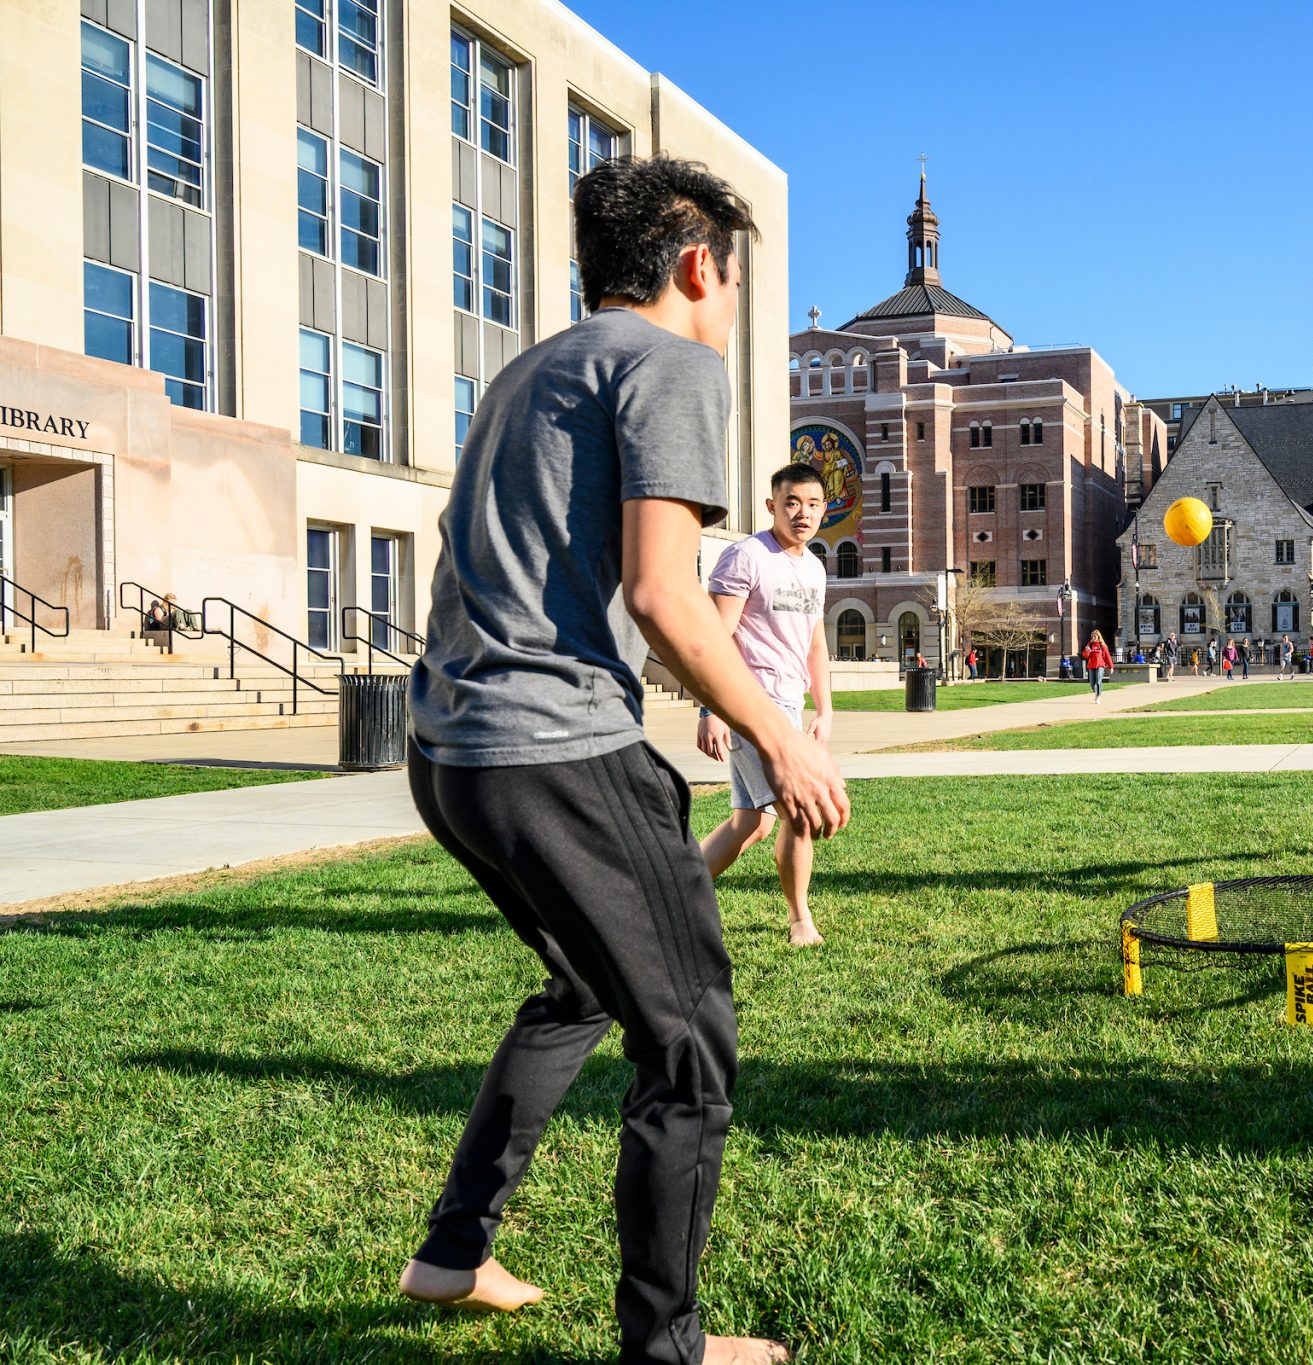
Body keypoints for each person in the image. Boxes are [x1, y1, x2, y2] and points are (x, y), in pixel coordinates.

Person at [401, 156, 847, 1364]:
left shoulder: (528, 370)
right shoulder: (671, 364)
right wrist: (780, 736)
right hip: (552, 751)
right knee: (689, 1034)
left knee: (583, 986)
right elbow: (662, 592)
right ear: (700, 265)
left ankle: (452, 1250)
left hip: (449, 752)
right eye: (735, 279)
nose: (733, 304)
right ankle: (669, 1346)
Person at [696, 463, 835, 949]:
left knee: (750, 823)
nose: (803, 513)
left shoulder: (814, 567)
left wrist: (824, 709)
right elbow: (714, 637)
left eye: (812, 504)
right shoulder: (746, 557)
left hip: (789, 706)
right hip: (749, 705)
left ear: (824, 509)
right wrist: (710, 710)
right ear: (772, 505)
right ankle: (800, 920)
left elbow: (815, 643)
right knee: (798, 812)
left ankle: (669, 898)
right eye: (792, 503)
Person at [1081, 629, 1113, 703]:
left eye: (1095, 636)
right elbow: (1085, 656)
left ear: (1098, 637)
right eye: (1092, 636)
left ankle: (1098, 696)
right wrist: (1087, 651)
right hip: (1091, 666)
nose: (1093, 637)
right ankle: (1096, 692)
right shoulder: (1089, 645)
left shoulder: (1102, 646)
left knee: (1098, 681)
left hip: (1100, 665)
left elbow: (1107, 656)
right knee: (1092, 683)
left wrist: (1111, 666)